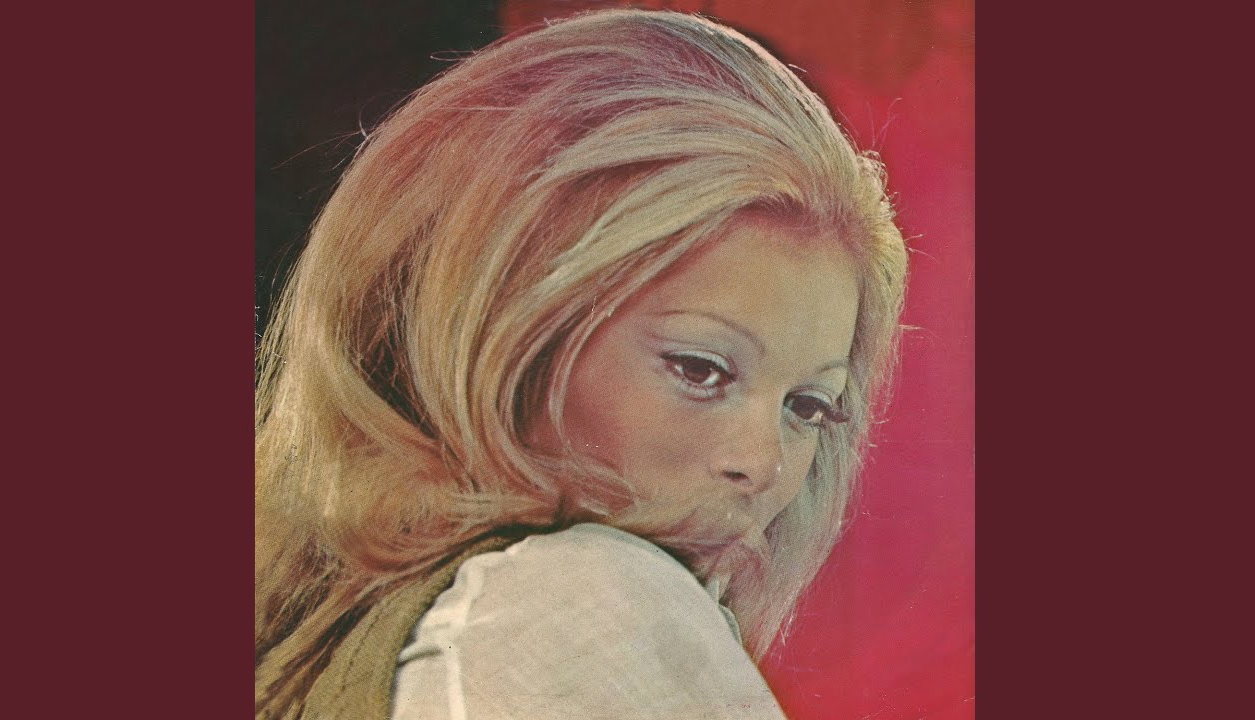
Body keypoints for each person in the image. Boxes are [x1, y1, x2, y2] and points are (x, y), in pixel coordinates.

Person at [255, 8, 908, 719]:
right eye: (699, 370)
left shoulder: (348, 634)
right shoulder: (579, 601)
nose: (762, 464)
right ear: (502, 330)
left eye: (807, 407)